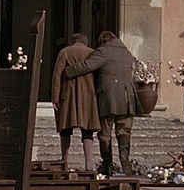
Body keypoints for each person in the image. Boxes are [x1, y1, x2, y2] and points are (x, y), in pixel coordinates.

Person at [65, 31, 141, 177]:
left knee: (105, 133)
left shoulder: (103, 51)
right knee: (124, 131)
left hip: (109, 98)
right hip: (128, 99)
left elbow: (87, 65)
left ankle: (107, 165)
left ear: (102, 41)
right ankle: (124, 159)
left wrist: (68, 71)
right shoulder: (127, 52)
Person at [51, 33, 100, 171]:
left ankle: (64, 161)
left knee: (65, 129)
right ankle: (89, 164)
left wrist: (55, 97)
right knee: (88, 131)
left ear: (72, 42)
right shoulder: (92, 53)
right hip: (88, 96)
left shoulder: (64, 52)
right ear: (85, 42)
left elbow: (57, 75)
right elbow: (98, 75)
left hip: (68, 95)